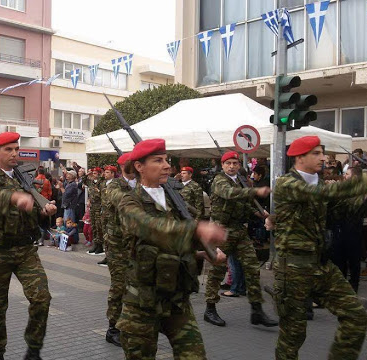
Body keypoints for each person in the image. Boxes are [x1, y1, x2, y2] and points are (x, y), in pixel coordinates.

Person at [116, 139, 227, 359]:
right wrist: (196, 230)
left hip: (177, 299)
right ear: (139, 166)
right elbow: (151, 228)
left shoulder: (175, 200)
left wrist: (201, 252)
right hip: (142, 302)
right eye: (158, 160)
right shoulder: (129, 201)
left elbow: (175, 241)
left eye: (166, 159)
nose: (167, 165)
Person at [270, 136, 367, 359]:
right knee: (293, 337)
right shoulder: (286, 184)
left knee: (355, 316)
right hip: (293, 269)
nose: (323, 158)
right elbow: (324, 195)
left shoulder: (320, 184)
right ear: (300, 157)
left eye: (322, 153)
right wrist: (366, 178)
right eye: (316, 153)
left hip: (321, 266)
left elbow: (344, 212)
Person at [0, 131, 56, 360]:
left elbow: (35, 210)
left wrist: (45, 210)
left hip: (25, 250)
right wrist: (15, 198)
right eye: (8, 149)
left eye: (16, 149)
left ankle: (33, 349)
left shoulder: (25, 178)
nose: (14, 153)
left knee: (42, 298)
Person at [203, 151, 276, 328]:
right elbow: (229, 194)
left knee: (252, 267)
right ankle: (210, 309)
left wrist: (258, 213)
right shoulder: (220, 181)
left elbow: (243, 204)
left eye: (235, 163)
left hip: (239, 229)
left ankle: (257, 310)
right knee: (218, 270)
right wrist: (254, 190)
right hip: (222, 230)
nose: (232, 166)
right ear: (223, 165)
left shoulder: (241, 181)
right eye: (228, 163)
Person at [102, 153, 137, 347]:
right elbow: (122, 203)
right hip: (117, 244)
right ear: (123, 166)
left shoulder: (141, 185)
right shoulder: (115, 186)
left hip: (136, 244)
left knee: (135, 284)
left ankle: (130, 323)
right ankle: (112, 327)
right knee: (119, 285)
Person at [87, 167, 104, 255]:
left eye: (95, 173)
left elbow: (102, 194)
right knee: (93, 225)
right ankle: (95, 244)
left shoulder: (102, 183)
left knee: (98, 226)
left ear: (99, 174)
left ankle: (100, 245)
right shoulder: (91, 183)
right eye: (92, 173)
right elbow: (84, 181)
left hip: (99, 206)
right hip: (92, 206)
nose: (93, 175)